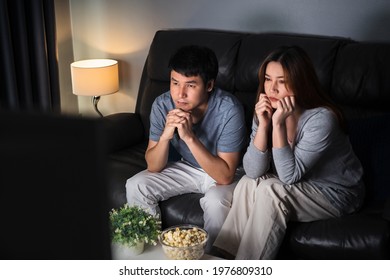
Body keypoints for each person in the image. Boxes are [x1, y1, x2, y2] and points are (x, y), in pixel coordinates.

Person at [213, 46, 365, 259]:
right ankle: (223, 260)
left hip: (336, 192)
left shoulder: (321, 119)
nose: (272, 89)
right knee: (248, 183)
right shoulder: (265, 111)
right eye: (267, 79)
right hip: (296, 185)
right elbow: (253, 171)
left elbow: (288, 177)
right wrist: (264, 124)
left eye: (282, 81)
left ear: (300, 83)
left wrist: (278, 124)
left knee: (270, 190)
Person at [126, 45, 246, 252]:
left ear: (209, 85)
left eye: (190, 85)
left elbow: (225, 176)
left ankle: (211, 261)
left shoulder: (229, 109)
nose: (180, 94)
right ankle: (154, 254)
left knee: (216, 201)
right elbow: (153, 167)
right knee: (136, 184)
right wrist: (165, 136)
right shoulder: (162, 104)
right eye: (175, 83)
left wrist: (189, 138)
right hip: (187, 167)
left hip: (226, 171)